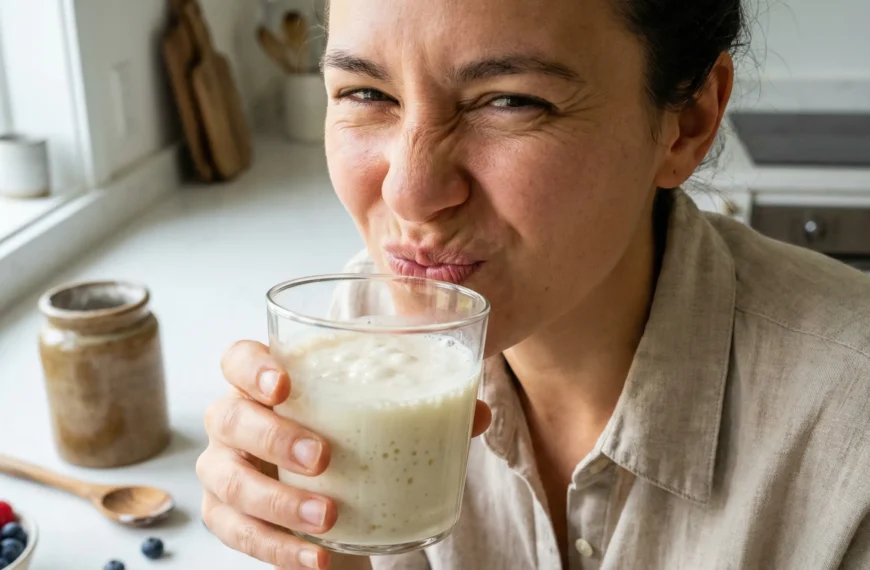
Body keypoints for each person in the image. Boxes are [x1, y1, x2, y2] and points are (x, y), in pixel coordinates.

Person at [195, 0, 870, 568]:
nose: (409, 193)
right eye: (365, 94)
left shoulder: (851, 433)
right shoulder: (354, 331)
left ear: (686, 124)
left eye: (510, 102)